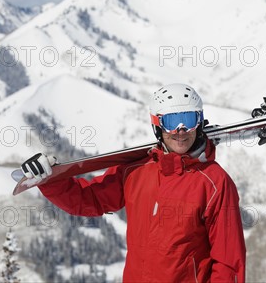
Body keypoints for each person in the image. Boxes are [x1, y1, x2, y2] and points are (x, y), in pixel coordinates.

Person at [21, 83, 246, 282]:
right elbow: (88, 200)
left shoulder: (215, 183)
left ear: (199, 122)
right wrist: (50, 181)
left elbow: (228, 261)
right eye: (171, 122)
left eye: (188, 120)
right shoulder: (136, 171)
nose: (181, 131)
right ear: (157, 125)